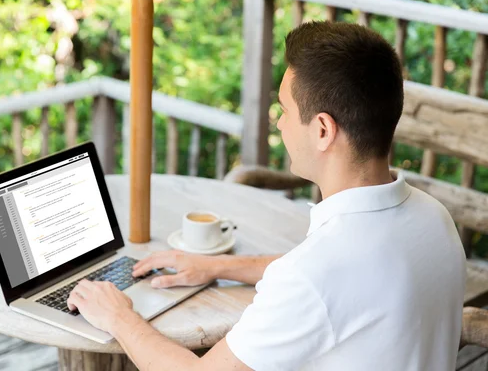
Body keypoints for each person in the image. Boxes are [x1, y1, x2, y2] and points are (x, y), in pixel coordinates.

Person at [67, 21, 466, 370]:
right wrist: (217, 267)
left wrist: (119, 316)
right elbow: (342, 280)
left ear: (323, 130)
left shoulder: (318, 273)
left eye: (285, 110)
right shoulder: (433, 218)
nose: (279, 122)